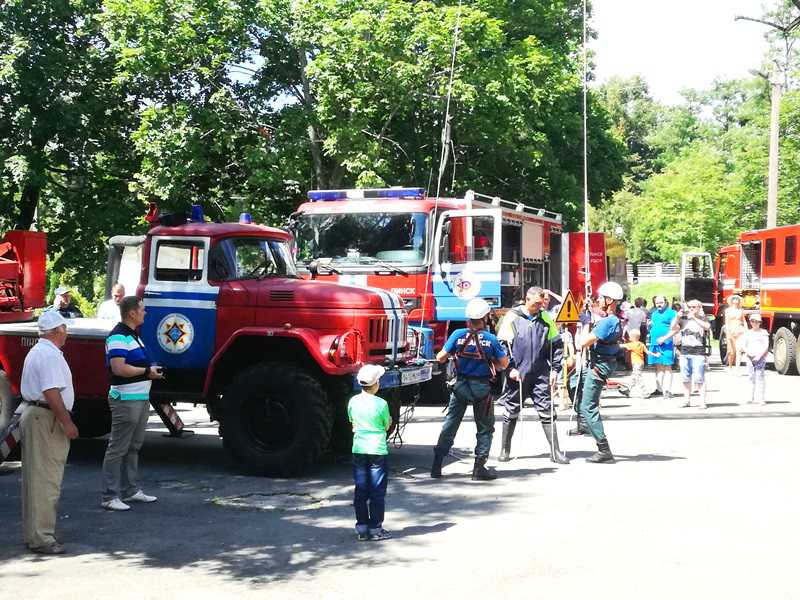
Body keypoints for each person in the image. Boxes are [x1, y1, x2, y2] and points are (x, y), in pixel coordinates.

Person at [19, 311, 79, 554]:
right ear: (57, 331)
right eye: (65, 329)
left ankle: (36, 534)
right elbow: (51, 392)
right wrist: (67, 422)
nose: (67, 333)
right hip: (46, 419)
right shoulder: (50, 355)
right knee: (47, 481)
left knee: (36, 480)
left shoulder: (38, 351)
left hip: (37, 415)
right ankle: (43, 537)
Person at [430, 298, 509, 481]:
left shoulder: (458, 334)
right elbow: (504, 364)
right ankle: (478, 468)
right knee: (485, 428)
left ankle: (436, 466)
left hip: (460, 386)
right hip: (481, 388)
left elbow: (441, 357)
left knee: (450, 425)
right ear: (485, 317)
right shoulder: (491, 339)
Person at [101, 296, 164, 511]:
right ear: (132, 313)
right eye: (142, 309)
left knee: (133, 447)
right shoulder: (118, 336)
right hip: (125, 400)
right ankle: (110, 496)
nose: (145, 312)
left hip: (139, 398)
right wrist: (147, 371)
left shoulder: (133, 336)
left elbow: (136, 363)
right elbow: (119, 368)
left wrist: (151, 368)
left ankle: (131, 490)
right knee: (118, 448)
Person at [495, 286, 567, 464]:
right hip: (518, 373)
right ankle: (505, 449)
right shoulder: (512, 317)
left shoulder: (545, 318)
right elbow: (502, 345)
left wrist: (555, 370)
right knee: (511, 410)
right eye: (536, 304)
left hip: (541, 372)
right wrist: (509, 368)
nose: (539, 307)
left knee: (547, 411)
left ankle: (555, 451)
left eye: (541, 304)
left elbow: (556, 345)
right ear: (527, 299)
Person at [575, 281, 624, 463]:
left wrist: (585, 323)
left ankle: (603, 449)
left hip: (599, 365)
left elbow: (582, 343)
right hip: (601, 363)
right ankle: (583, 423)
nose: (598, 300)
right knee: (574, 383)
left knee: (588, 406)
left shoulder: (608, 322)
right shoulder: (610, 319)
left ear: (609, 300)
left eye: (601, 298)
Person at [348, 364, 392, 541]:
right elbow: (386, 425)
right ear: (375, 385)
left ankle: (362, 528)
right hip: (377, 450)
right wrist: (387, 422)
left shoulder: (352, 401)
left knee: (361, 489)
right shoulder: (382, 404)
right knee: (377, 491)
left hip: (359, 448)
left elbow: (352, 421)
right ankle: (375, 528)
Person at [658, 300, 711, 409]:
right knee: (685, 378)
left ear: (699, 307)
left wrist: (694, 318)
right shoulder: (683, 319)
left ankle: (702, 402)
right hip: (685, 351)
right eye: (689, 307)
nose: (691, 309)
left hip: (698, 351)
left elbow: (707, 327)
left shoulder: (703, 318)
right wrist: (677, 317)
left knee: (699, 378)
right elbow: (673, 327)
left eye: (694, 307)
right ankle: (686, 400)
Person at [647, 296, 677, 398]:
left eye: (661, 302)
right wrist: (649, 326)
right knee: (658, 366)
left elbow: (675, 328)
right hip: (654, 343)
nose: (659, 305)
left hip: (666, 343)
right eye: (657, 303)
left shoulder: (672, 313)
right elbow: (654, 326)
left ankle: (667, 390)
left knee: (667, 366)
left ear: (666, 302)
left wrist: (664, 338)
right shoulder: (654, 314)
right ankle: (659, 389)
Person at [620, 329, 661, 399]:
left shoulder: (632, 344)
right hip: (641, 363)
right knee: (634, 376)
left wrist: (614, 344)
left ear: (631, 337)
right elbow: (647, 352)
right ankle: (628, 389)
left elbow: (621, 346)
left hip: (636, 363)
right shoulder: (641, 344)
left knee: (638, 377)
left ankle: (645, 392)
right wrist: (655, 355)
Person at [740, 313, 769, 405]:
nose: (754, 323)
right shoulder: (748, 332)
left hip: (760, 357)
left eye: (757, 321)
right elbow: (743, 345)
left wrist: (759, 355)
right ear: (750, 322)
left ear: (760, 322)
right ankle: (750, 397)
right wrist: (748, 353)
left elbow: (766, 345)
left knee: (760, 377)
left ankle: (761, 398)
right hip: (750, 357)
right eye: (752, 321)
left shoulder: (763, 332)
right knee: (750, 377)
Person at [724, 295, 746, 371]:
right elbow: (726, 322)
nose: (736, 300)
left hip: (740, 330)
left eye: (737, 299)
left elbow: (744, 321)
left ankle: (737, 368)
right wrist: (728, 332)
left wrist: (746, 331)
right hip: (731, 330)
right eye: (734, 299)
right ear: (731, 301)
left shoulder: (741, 310)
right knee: (731, 351)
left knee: (739, 350)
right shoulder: (727, 310)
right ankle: (730, 366)